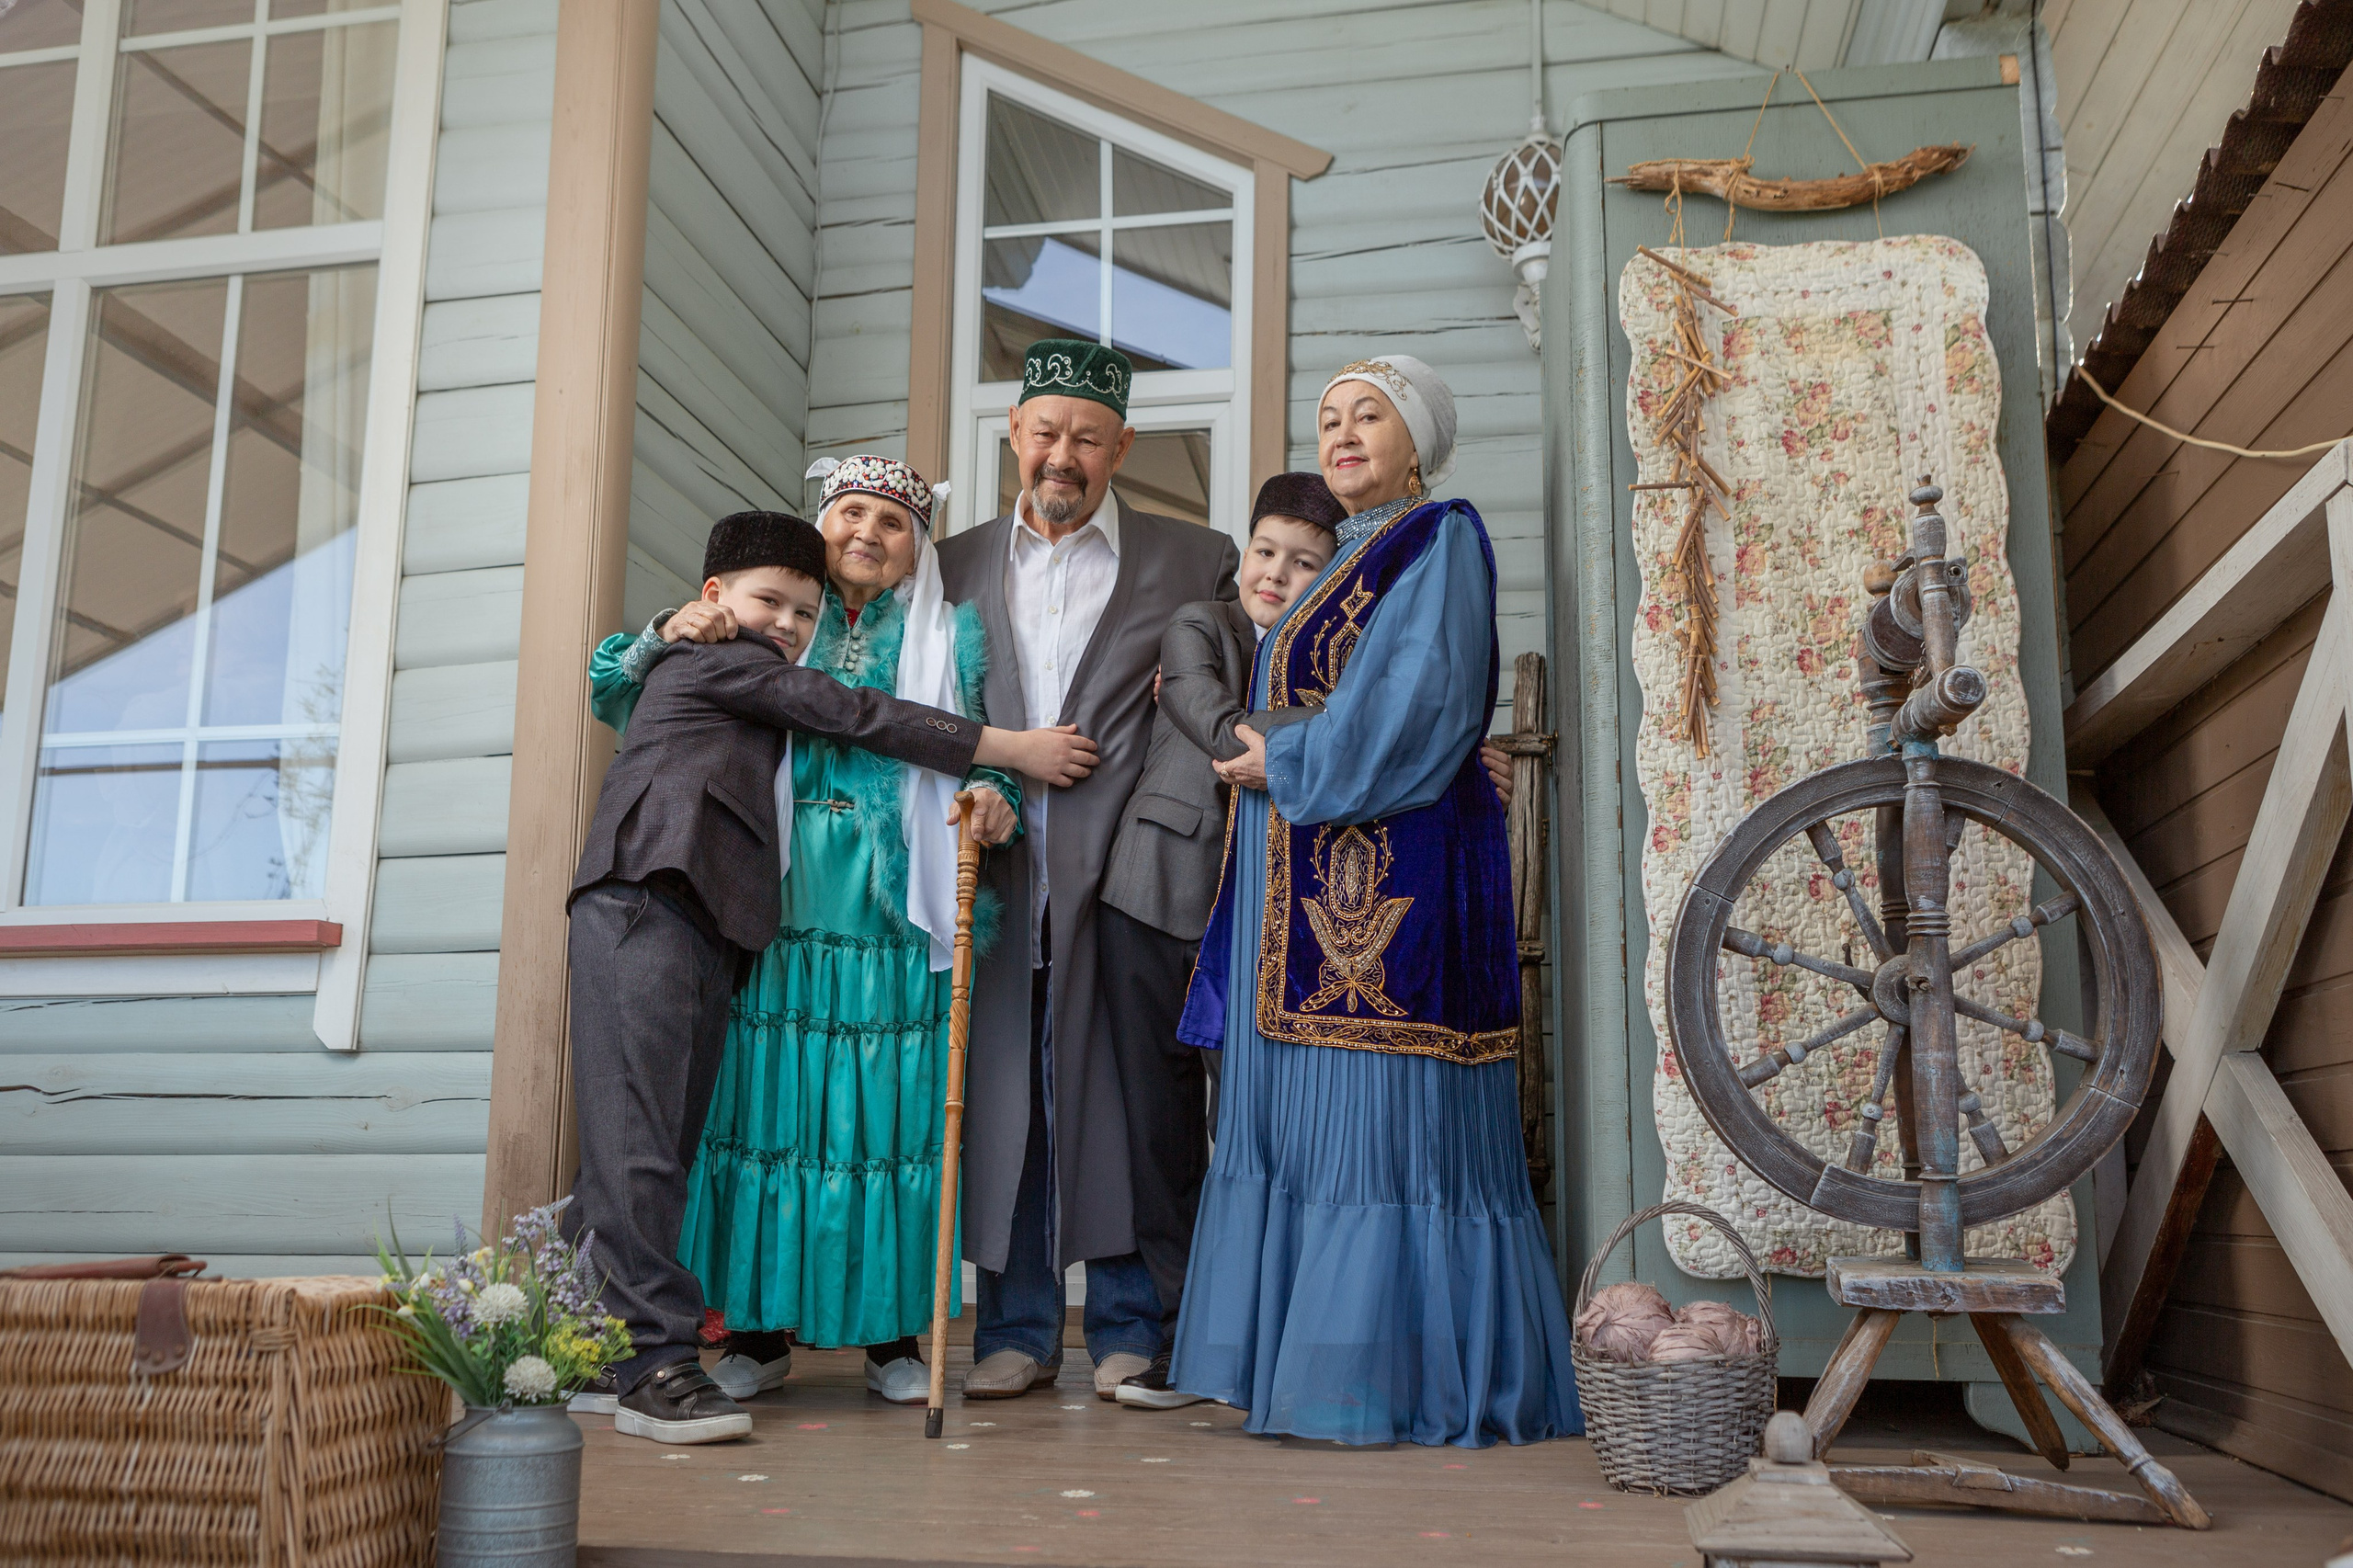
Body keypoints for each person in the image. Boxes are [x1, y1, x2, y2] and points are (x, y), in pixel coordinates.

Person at [563, 510, 1097, 1445]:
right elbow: (856, 712)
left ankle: (592, 1353)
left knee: (648, 1140)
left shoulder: (764, 662)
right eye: (770, 601)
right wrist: (1010, 748)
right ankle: (651, 1365)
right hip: (646, 897)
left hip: (700, 918)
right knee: (639, 1145)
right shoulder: (712, 659)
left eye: (803, 614)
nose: (786, 624)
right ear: (714, 598)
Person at [1169, 357, 1582, 1449]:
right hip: (1296, 873)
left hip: (1380, 866)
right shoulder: (1336, 559)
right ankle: (1299, 1368)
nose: (1343, 432)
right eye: (1329, 418)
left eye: (1371, 415)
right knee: (1304, 1120)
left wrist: (1284, 764)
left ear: (1419, 442)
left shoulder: (1437, 536)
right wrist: (1281, 762)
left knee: (1378, 1120)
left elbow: (1419, 699)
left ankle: (1387, 1380)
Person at [934, 338, 1241, 1401]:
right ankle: (1014, 1327)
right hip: (999, 862)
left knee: (1122, 1092)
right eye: (1046, 432)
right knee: (1004, 1086)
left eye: (1087, 438)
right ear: (1015, 435)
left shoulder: (1192, 557)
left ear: (1121, 448)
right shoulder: (952, 563)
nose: (1062, 455)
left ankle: (1131, 1324)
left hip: (1128, 871)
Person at [1095, 472, 1344, 1410]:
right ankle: (1174, 1339)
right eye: (1267, 550)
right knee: (1160, 1138)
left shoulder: (1336, 651)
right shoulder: (1199, 624)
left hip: (1272, 920)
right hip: (1152, 899)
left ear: (1331, 575)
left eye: (1305, 561)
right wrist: (1300, 737)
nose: (1276, 573)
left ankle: (1255, 1335)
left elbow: (1352, 726)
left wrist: (1300, 735)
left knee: (1251, 1124)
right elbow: (1200, 710)